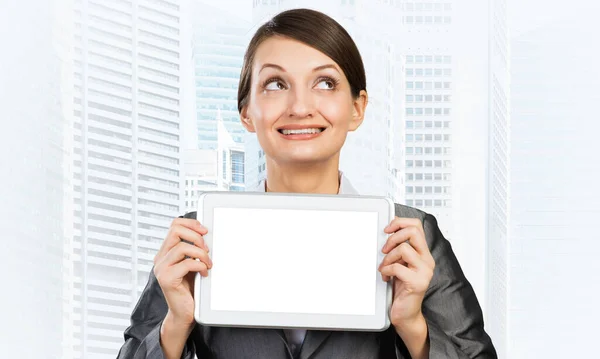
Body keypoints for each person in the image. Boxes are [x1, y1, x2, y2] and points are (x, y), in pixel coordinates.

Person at [117, 8, 497, 359]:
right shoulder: (197, 237)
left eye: (326, 83)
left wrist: (413, 326)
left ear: (357, 108)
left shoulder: (410, 237)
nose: (300, 106)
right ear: (247, 112)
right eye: (275, 84)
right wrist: (175, 324)